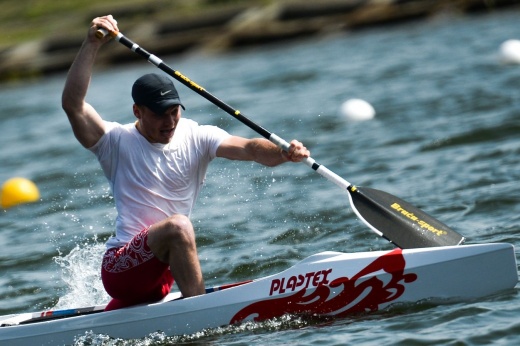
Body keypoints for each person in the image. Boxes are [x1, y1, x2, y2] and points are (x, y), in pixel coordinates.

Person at [62, 15, 310, 311]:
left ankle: (182, 306)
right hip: (121, 269)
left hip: (162, 274)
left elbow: (250, 148)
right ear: (137, 111)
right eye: (159, 114)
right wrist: (91, 44)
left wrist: (283, 153)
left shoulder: (197, 135)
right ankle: (202, 312)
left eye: (173, 112)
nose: (169, 122)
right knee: (179, 227)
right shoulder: (114, 141)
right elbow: (73, 105)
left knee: (178, 230)